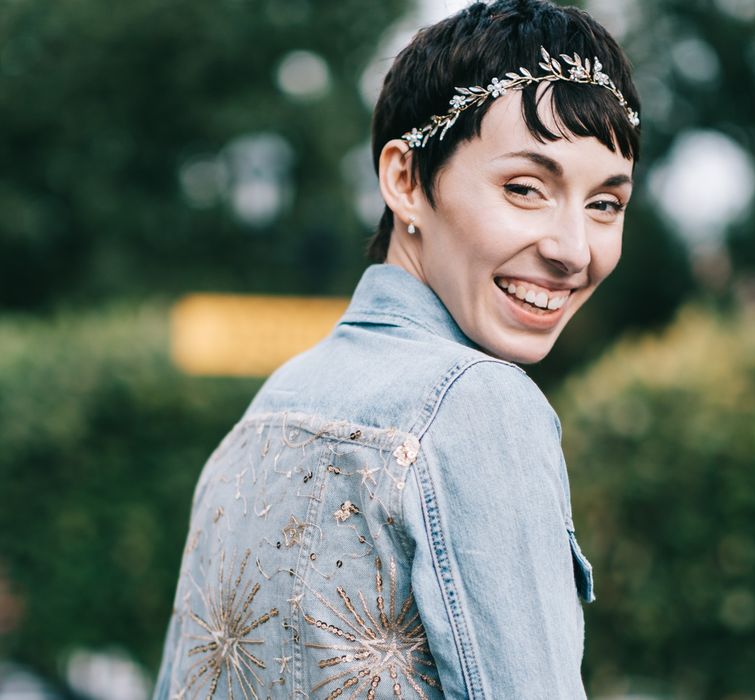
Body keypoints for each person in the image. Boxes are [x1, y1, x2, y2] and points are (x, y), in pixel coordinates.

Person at [153, 0, 640, 697]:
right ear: (405, 181)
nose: (572, 250)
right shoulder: (479, 403)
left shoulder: (268, 410)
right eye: (526, 188)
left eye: (605, 204)